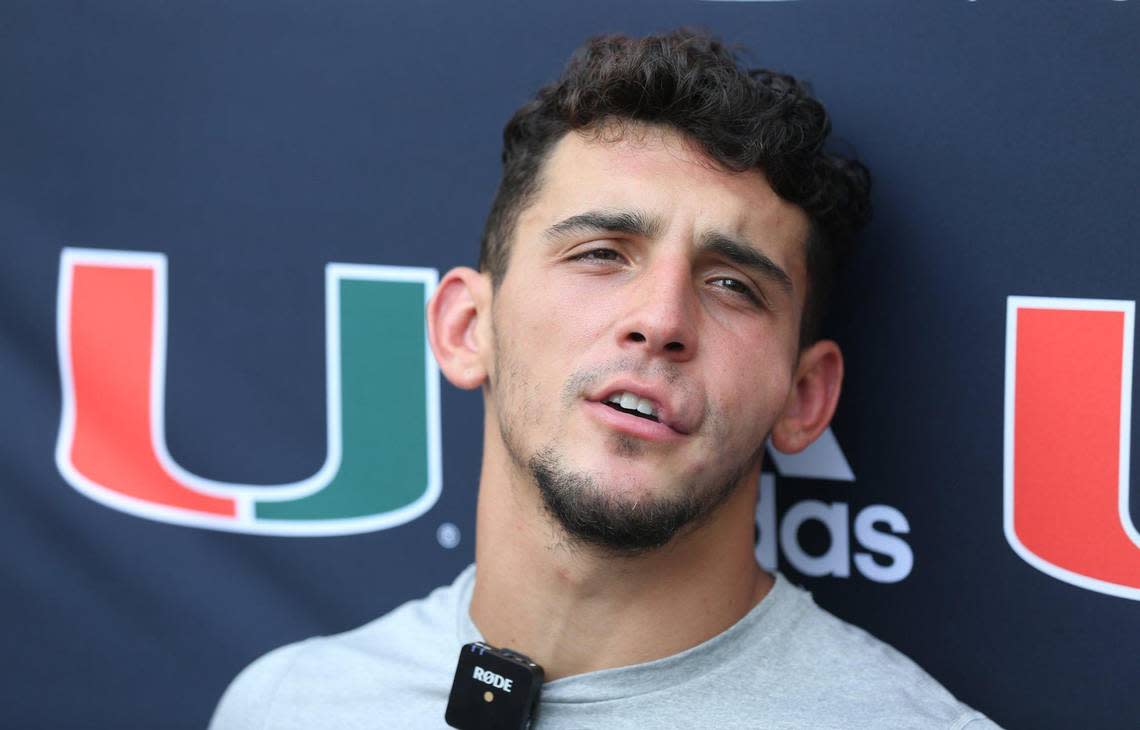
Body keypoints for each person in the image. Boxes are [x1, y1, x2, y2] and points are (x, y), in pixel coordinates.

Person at [211, 29, 1000, 729]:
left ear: (804, 399)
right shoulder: (286, 705)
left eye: (733, 284)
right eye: (601, 252)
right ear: (466, 328)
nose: (661, 320)